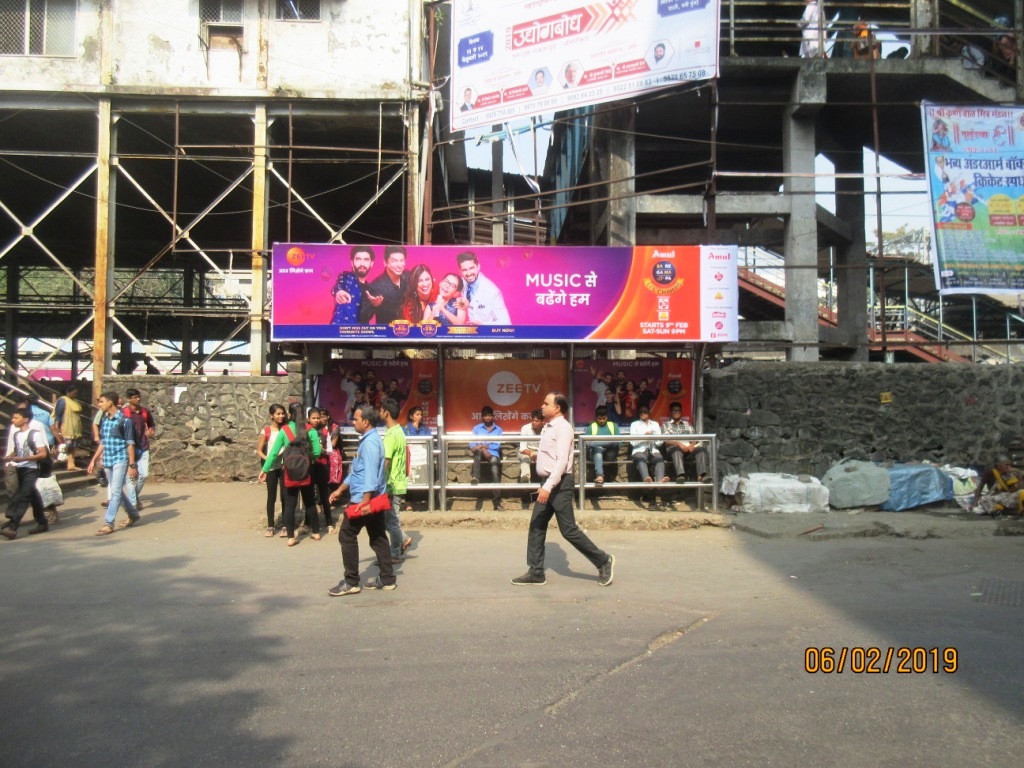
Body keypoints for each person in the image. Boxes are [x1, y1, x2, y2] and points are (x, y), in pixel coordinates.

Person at [511, 392, 614, 587]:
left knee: (568, 530)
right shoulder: (548, 427)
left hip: (558, 484)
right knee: (537, 525)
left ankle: (603, 560)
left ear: (557, 408)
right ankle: (536, 571)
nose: (542, 406)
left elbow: (562, 462)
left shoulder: (564, 428)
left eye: (546, 403)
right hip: (547, 483)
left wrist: (548, 487)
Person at [327, 404, 396, 595]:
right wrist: (341, 489)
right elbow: (358, 471)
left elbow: (371, 475)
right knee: (378, 537)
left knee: (346, 535)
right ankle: (388, 578)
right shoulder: (367, 440)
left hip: (364, 500)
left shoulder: (371, 443)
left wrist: (365, 502)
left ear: (365, 422)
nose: (353, 421)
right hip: (370, 497)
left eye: (356, 419)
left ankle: (351, 582)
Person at [258, 402, 321, 546]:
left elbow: (273, 453)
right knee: (310, 502)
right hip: (307, 471)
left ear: (290, 414)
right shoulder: (310, 429)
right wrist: (308, 458)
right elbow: (317, 452)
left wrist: (265, 470)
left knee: (290, 504)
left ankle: (291, 537)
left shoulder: (285, 430)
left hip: (289, 471)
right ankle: (316, 532)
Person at [87, 392, 141, 536]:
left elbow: (130, 444)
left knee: (115, 491)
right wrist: (94, 459)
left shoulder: (125, 421)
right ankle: (133, 514)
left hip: (120, 458)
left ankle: (108, 523)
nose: (100, 404)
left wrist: (132, 465)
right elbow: (103, 443)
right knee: (117, 491)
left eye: (102, 401)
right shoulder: (105, 420)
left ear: (110, 403)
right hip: (108, 459)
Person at [1, 408, 51, 539]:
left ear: (25, 419)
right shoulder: (17, 434)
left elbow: (42, 453)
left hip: (32, 469)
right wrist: (9, 457)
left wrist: (22, 459)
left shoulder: (35, 434)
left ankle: (13, 527)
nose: (13, 420)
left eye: (16, 418)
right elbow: (18, 451)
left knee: (23, 497)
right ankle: (42, 522)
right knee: (33, 495)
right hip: (21, 468)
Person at [381, 400, 413, 562]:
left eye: (381, 410)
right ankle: (401, 540)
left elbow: (386, 461)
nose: (379, 413)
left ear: (386, 412)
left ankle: (395, 551)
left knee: (391, 520)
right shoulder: (399, 431)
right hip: (398, 482)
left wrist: (378, 480)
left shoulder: (391, 435)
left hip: (391, 484)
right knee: (389, 519)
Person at [256, 403, 288, 536]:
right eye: (278, 414)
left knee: (285, 496)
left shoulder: (286, 430)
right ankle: (271, 525)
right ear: (271, 416)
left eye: (282, 413)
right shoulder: (267, 431)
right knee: (271, 496)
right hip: (271, 469)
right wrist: (268, 459)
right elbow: (259, 450)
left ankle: (286, 524)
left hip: (284, 467)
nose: (281, 416)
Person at [122, 388, 156, 510]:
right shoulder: (124, 413)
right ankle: (133, 503)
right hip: (128, 448)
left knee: (144, 474)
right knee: (130, 477)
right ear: (129, 399)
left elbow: (152, 424)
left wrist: (150, 430)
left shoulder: (144, 412)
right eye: (135, 397)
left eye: (139, 397)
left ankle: (134, 497)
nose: (138, 399)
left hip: (143, 446)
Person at [457, 251, 511, 325]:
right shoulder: (461, 282)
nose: (469, 273)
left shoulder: (492, 292)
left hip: (488, 334)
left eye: (471, 268)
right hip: (471, 333)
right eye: (464, 270)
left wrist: (483, 325)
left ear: (478, 267)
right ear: (460, 271)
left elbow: (506, 323)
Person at [331, 246, 381, 325]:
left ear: (372, 263)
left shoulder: (371, 291)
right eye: (358, 259)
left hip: (361, 335)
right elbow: (340, 285)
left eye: (366, 260)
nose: (362, 264)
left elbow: (365, 318)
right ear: (352, 262)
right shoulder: (346, 277)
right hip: (340, 333)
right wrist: (339, 291)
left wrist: (374, 305)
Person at [663, 401, 705, 483]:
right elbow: (666, 440)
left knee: (701, 449)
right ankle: (681, 475)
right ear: (671, 412)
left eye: (678, 410)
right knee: (676, 449)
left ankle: (702, 475)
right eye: (674, 410)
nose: (676, 412)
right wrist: (679, 443)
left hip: (688, 449)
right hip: (673, 450)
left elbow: (694, 437)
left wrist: (692, 444)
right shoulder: (666, 425)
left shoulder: (687, 424)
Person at [470, 405, 503, 510]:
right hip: (480, 454)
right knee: (478, 453)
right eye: (486, 416)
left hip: (493, 454)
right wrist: (482, 448)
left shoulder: (498, 429)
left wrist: (483, 446)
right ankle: (476, 477)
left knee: (494, 470)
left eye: (490, 415)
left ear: (493, 417)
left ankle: (497, 502)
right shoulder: (476, 428)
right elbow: (472, 445)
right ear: (482, 417)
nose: (488, 418)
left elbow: (496, 445)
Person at [368, 245, 410, 325]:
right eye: (394, 261)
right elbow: (365, 316)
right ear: (385, 262)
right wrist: (374, 305)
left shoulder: (409, 277)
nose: (399, 265)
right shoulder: (376, 286)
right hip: (387, 333)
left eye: (402, 260)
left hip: (408, 331)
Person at [307, 408, 334, 533]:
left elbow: (330, 450)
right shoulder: (305, 431)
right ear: (308, 419)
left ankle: (329, 522)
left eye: (318, 418)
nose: (317, 420)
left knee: (324, 494)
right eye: (314, 418)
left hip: (322, 465)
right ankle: (309, 523)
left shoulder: (325, 431)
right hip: (309, 466)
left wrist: (322, 450)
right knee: (309, 495)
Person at [630, 405, 666, 484]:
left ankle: (660, 481)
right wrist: (644, 437)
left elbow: (659, 442)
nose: (642, 414)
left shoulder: (655, 424)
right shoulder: (634, 424)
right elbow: (632, 442)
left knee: (659, 458)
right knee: (641, 457)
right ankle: (646, 480)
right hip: (639, 450)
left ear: (648, 413)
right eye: (640, 413)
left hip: (653, 450)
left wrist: (653, 437)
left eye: (645, 412)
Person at [53, 384, 84, 470]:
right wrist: (57, 428)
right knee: (63, 446)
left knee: (72, 447)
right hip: (66, 427)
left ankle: (71, 464)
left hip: (75, 429)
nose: (75, 395)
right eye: (74, 393)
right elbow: (58, 416)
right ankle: (56, 462)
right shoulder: (62, 400)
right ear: (68, 392)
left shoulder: (74, 401)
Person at [587, 405, 620, 486]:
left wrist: (595, 443)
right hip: (595, 454)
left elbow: (618, 442)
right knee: (598, 450)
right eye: (599, 419)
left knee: (599, 447)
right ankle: (600, 475)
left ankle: (598, 446)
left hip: (610, 454)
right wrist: (608, 442)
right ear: (596, 417)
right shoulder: (591, 427)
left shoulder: (613, 426)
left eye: (604, 418)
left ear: (607, 417)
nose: (602, 421)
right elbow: (587, 444)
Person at [518, 409, 544, 484]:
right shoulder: (525, 428)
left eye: (536, 421)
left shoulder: (548, 429)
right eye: (532, 420)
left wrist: (539, 455)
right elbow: (522, 448)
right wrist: (531, 454)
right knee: (524, 458)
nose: (534, 423)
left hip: (542, 451)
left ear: (542, 422)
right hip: (527, 451)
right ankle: (525, 479)